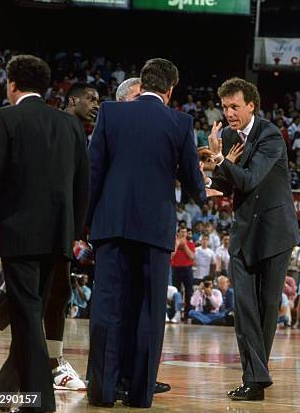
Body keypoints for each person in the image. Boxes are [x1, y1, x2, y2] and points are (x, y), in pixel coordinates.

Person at [85, 58, 219, 408]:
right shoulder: (180, 122)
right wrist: (206, 189)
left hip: (112, 226)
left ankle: (102, 391)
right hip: (155, 231)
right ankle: (140, 394)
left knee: (107, 307)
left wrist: (84, 225)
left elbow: (93, 172)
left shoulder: (111, 113)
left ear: (141, 83)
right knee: (148, 311)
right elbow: (192, 180)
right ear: (171, 89)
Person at [0, 55, 89, 413]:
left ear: (11, 85)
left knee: (25, 315)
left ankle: (39, 401)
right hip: (58, 238)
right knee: (28, 312)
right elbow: (82, 186)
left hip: (19, 236)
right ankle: (8, 392)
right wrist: (74, 233)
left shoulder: (3, 118)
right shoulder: (69, 125)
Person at [202, 77, 299, 401]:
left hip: (274, 233)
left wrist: (220, 160)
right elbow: (225, 186)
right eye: (225, 107)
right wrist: (214, 167)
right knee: (244, 308)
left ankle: (255, 382)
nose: (229, 113)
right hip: (244, 233)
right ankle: (254, 377)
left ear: (251, 105)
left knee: (267, 309)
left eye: (234, 106)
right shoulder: (228, 137)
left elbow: (250, 180)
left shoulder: (269, 135)